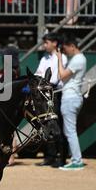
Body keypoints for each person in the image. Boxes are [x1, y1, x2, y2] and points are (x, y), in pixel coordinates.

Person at [54, 34, 87, 170]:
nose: (64, 51)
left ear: (72, 46)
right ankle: (76, 159)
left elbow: (61, 75)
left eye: (66, 48)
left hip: (71, 97)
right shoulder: (79, 58)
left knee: (70, 132)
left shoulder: (78, 59)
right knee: (70, 131)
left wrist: (60, 60)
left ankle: (77, 160)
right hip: (73, 97)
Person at [35, 32, 67, 167]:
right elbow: (38, 73)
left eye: (47, 42)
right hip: (45, 92)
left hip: (55, 93)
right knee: (46, 124)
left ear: (55, 43)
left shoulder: (62, 57)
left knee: (57, 125)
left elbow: (56, 78)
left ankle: (62, 158)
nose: (44, 45)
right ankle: (49, 157)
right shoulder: (44, 58)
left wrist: (43, 80)